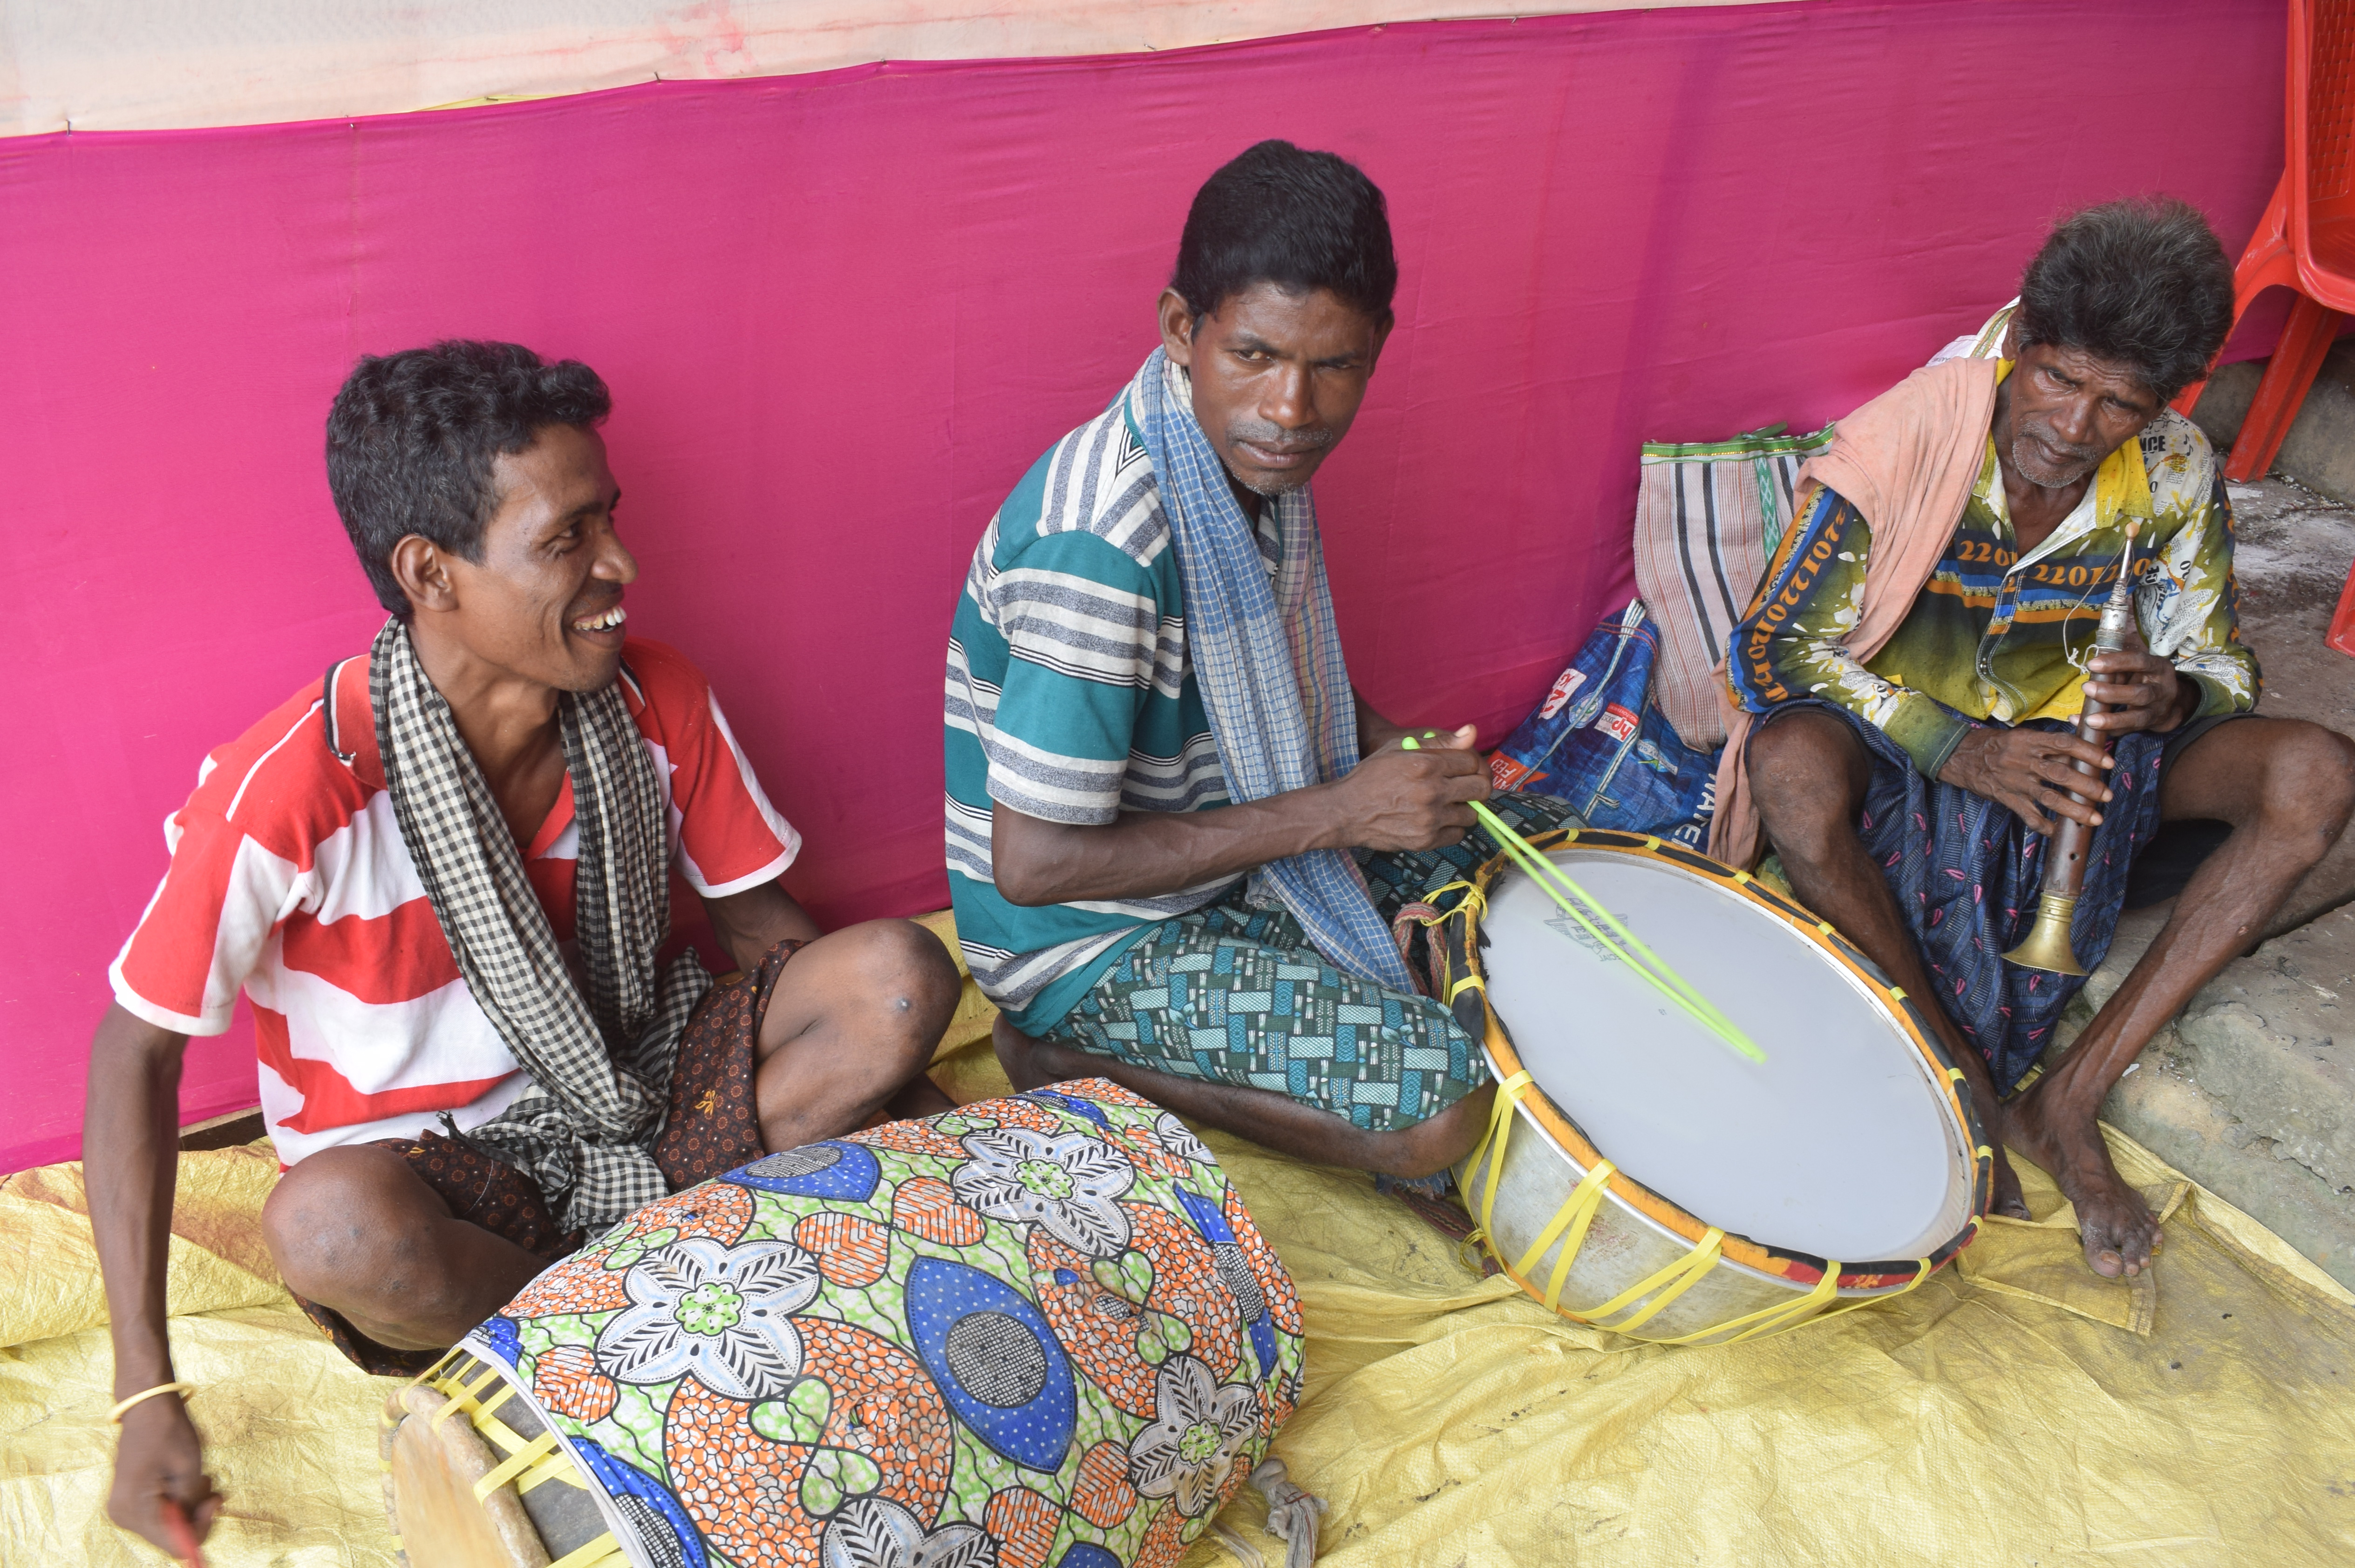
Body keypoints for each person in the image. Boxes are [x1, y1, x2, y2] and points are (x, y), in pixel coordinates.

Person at [91, 341, 960, 1554]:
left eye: (611, 522)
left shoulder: (657, 699)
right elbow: (133, 1055)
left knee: (903, 979)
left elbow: (772, 946)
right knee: (329, 1229)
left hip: (641, 1094)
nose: (621, 568)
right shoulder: (294, 786)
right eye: (568, 541)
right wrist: (145, 1393)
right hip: (445, 1187)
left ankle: (622, 1297)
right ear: (431, 573)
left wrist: (906, 1116)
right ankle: (653, 1312)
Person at [1715, 198, 2355, 1280]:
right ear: (2020, 346)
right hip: (1906, 760)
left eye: (2118, 404)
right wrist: (1952, 746)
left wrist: (2178, 697)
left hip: (2073, 778)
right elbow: (1770, 649)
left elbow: (2225, 665)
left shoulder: (2172, 467)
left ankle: (2068, 1097)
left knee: (2313, 772)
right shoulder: (1906, 433)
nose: (2072, 424)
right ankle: (1953, 1067)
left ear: (2159, 404)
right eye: (2058, 380)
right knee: (1787, 764)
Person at [944, 139, 1568, 1181]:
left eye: (1334, 366)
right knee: (1436, 1110)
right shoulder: (1103, 544)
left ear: (1378, 344)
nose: (1292, 408)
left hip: (1225, 850)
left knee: (1534, 852)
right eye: (1257, 357)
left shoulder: (1241, 457)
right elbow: (1036, 865)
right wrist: (1340, 810)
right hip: (1085, 937)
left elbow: (1267, 678)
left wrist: (1383, 749)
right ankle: (1058, 1055)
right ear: (1183, 327)